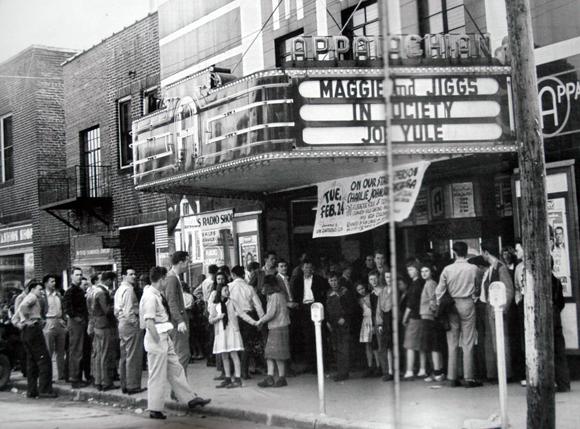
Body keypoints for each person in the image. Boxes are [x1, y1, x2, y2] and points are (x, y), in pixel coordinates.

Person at [140, 266, 211, 420]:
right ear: (161, 279)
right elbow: (149, 322)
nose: (166, 281)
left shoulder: (155, 294)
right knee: (157, 375)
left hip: (164, 336)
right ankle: (155, 408)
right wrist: (159, 341)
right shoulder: (150, 297)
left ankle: (190, 398)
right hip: (157, 338)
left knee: (176, 369)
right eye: (165, 278)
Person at [435, 241, 482, 388]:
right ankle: (469, 378)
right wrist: (474, 296)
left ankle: (452, 377)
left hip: (451, 306)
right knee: (468, 341)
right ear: (466, 252)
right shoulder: (473, 268)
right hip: (467, 303)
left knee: (452, 342)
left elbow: (439, 291)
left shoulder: (447, 269)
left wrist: (441, 304)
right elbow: (479, 287)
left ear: (453, 252)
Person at [17, 280, 57, 398]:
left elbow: (19, 312)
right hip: (33, 331)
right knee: (44, 360)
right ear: (33, 289)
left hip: (27, 332)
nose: (41, 291)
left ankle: (32, 390)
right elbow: (23, 308)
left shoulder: (27, 298)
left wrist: (23, 322)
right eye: (39, 289)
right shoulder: (32, 297)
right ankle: (45, 390)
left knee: (32, 362)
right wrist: (29, 320)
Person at [480, 244, 514, 381]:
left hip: (497, 309)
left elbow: (509, 290)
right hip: (490, 308)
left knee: (500, 341)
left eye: (482, 252)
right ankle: (495, 373)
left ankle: (505, 373)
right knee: (493, 341)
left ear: (486, 252)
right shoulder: (491, 268)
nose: (482, 255)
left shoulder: (501, 268)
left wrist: (502, 309)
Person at [290, 259, 329, 371]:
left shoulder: (319, 279)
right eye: (306, 267)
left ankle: (322, 364)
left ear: (313, 269)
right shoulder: (297, 280)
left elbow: (324, 291)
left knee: (320, 335)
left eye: (310, 267)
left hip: (316, 306)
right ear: (302, 268)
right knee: (307, 336)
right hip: (304, 308)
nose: (308, 270)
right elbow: (295, 294)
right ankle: (311, 365)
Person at [228, 265, 263, 380]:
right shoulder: (249, 288)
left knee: (234, 344)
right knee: (247, 344)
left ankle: (233, 371)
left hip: (233, 317)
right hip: (248, 317)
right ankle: (244, 371)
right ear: (243, 275)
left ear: (233, 275)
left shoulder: (228, 287)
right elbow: (258, 305)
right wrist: (260, 320)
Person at [114, 267, 145, 394]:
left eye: (134, 273)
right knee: (133, 355)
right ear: (123, 276)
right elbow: (128, 311)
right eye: (130, 274)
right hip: (129, 324)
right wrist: (136, 323)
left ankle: (125, 384)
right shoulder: (128, 290)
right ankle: (133, 385)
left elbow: (117, 310)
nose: (134, 276)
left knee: (124, 355)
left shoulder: (119, 290)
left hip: (121, 323)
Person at [208, 280, 245, 388]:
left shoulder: (232, 302)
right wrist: (218, 318)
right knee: (224, 355)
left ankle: (238, 379)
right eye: (225, 290)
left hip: (231, 330)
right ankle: (228, 378)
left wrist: (254, 322)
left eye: (228, 290)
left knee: (233, 354)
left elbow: (241, 314)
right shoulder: (215, 304)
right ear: (220, 291)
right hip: (221, 332)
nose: (227, 292)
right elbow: (210, 319)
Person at [256, 274, 291, 388]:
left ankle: (281, 378)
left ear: (269, 285)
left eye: (264, 286)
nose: (262, 288)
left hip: (277, 327)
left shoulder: (275, 296)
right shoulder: (279, 294)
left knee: (276, 354)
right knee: (270, 354)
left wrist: (260, 321)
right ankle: (270, 377)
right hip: (279, 326)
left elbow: (271, 313)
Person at [63, 267, 89, 389]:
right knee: (76, 350)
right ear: (71, 276)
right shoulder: (70, 291)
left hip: (81, 322)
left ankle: (77, 376)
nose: (79, 277)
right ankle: (74, 378)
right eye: (77, 275)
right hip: (76, 323)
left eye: (80, 275)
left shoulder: (79, 290)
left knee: (79, 350)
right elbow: (68, 308)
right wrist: (78, 318)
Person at [418, 265, 445, 382]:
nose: (423, 273)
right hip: (428, 317)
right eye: (422, 271)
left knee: (432, 345)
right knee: (432, 345)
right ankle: (437, 371)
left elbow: (433, 299)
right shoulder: (429, 283)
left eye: (426, 271)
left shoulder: (430, 284)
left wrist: (434, 312)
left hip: (429, 317)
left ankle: (437, 372)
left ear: (431, 272)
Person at [165, 251, 191, 371]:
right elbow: (172, 301)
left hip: (177, 321)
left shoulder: (174, 277)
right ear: (181, 262)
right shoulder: (172, 278)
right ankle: (179, 389)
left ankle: (182, 388)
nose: (188, 265)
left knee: (182, 355)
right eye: (187, 262)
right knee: (182, 355)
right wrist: (180, 320)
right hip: (177, 323)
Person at [92, 271, 118, 391]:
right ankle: (106, 382)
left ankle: (98, 380)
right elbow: (107, 310)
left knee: (98, 354)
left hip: (97, 324)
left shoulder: (93, 290)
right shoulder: (102, 293)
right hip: (105, 325)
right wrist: (115, 305)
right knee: (106, 354)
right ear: (108, 280)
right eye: (112, 281)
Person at [326, 271, 353, 381]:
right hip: (333, 324)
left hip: (343, 323)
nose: (334, 283)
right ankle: (339, 371)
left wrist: (345, 318)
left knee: (344, 348)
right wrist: (327, 322)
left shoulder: (345, 292)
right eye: (331, 280)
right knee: (336, 348)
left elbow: (351, 307)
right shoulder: (328, 293)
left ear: (339, 280)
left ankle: (344, 373)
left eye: (335, 280)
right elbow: (327, 309)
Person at [402, 261, 427, 380]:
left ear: (417, 270)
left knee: (410, 345)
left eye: (411, 270)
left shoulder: (415, 285)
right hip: (421, 316)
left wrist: (405, 317)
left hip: (414, 317)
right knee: (421, 345)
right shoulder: (422, 283)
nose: (409, 272)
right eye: (408, 270)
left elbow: (411, 304)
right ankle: (422, 369)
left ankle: (409, 371)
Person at [42, 274, 67, 382]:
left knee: (61, 350)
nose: (54, 283)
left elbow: (63, 308)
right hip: (48, 321)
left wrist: (63, 319)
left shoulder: (58, 295)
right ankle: (48, 376)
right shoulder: (43, 296)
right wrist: (43, 322)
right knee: (49, 350)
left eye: (54, 281)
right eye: (51, 281)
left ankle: (61, 374)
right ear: (46, 283)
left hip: (59, 321)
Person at [375, 271, 394, 381]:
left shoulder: (397, 290)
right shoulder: (382, 292)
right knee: (387, 347)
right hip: (386, 320)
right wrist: (380, 323)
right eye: (387, 277)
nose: (389, 279)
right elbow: (379, 308)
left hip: (395, 319)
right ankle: (389, 371)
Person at [356, 281, 377, 377]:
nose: (361, 291)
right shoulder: (359, 300)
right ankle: (370, 366)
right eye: (359, 290)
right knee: (367, 345)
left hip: (372, 320)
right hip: (365, 321)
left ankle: (378, 365)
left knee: (375, 344)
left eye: (362, 288)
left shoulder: (371, 296)